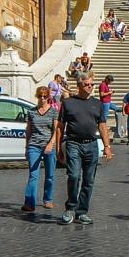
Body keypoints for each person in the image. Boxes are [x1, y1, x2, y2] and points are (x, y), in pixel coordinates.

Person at [52, 74, 114, 225]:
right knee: (73, 176)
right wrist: (58, 147)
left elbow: (103, 126)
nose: (90, 87)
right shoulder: (68, 103)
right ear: (79, 85)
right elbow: (60, 127)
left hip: (91, 144)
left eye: (92, 85)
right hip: (73, 143)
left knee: (89, 180)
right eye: (86, 84)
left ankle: (82, 211)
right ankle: (70, 207)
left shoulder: (97, 104)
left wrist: (107, 146)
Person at [22, 86, 58, 212]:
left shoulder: (53, 111)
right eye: (40, 96)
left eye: (45, 96)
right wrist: (27, 147)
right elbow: (28, 130)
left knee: (50, 175)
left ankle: (48, 199)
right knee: (33, 174)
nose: (42, 98)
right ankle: (29, 202)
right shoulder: (31, 111)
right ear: (37, 97)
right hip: (34, 145)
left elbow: (55, 130)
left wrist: (51, 143)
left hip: (49, 145)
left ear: (48, 97)